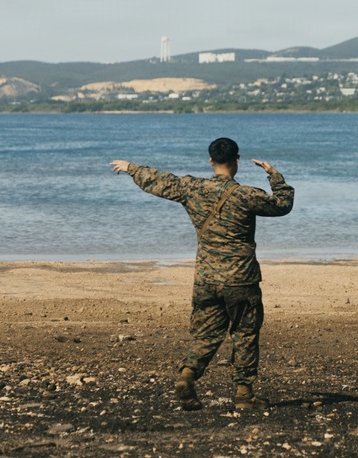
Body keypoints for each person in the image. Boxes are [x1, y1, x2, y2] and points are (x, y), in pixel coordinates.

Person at [109, 137, 294, 411]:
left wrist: (131, 168)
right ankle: (244, 393)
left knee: (207, 334)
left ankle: (188, 375)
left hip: (206, 277)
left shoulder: (192, 188)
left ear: (211, 161)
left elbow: (161, 181)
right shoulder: (246, 195)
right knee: (244, 333)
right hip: (241, 278)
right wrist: (273, 174)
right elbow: (282, 204)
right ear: (237, 162)